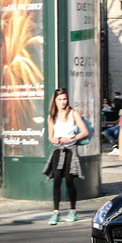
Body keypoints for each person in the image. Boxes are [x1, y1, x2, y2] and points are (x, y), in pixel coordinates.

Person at [42, 88, 88, 225]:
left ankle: (73, 210)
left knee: (69, 179)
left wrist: (72, 138)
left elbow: (84, 131)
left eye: (64, 99)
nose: (62, 102)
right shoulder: (52, 116)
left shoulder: (73, 113)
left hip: (70, 149)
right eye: (60, 99)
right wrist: (54, 140)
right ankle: (55, 211)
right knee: (56, 179)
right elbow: (50, 136)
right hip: (58, 149)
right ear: (55, 101)